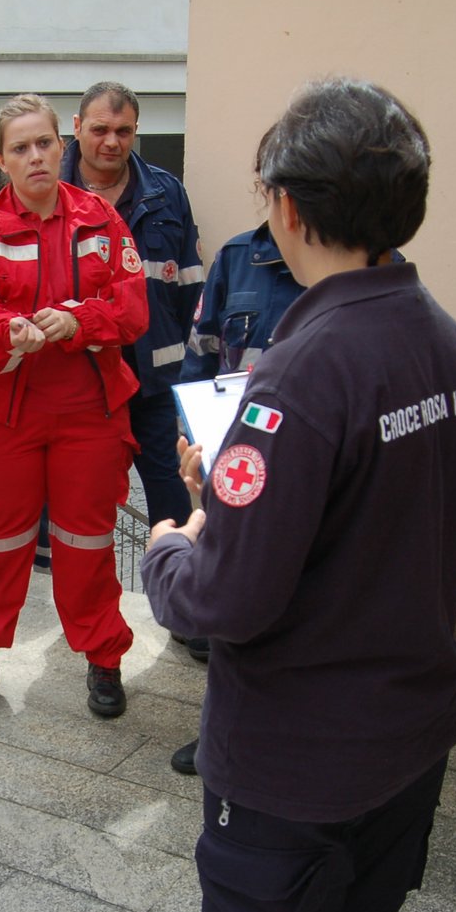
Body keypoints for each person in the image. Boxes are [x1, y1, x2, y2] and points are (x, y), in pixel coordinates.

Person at [141, 79, 456, 912]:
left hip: (296, 769)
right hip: (406, 741)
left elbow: (228, 599)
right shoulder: (453, 347)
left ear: (287, 205)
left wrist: (175, 544)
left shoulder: (297, 373)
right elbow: (388, 522)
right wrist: (244, 489)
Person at [0, 93, 149, 718]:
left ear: (65, 145)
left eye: (45, 143)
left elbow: (133, 309)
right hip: (3, 411)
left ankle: (104, 659)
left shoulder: (103, 221)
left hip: (89, 411)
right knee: (0, 543)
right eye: (21, 148)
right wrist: (11, 330)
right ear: (0, 159)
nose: (36, 157)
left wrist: (78, 319)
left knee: (88, 542)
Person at [166, 223, 306, 773]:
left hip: (304, 471)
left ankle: (288, 740)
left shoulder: (362, 258)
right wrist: (191, 435)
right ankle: (223, 735)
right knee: (233, 609)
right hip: (234, 466)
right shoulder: (239, 256)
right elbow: (202, 352)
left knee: (296, 610)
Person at [61, 81, 203, 562]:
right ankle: (69, 604)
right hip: (76, 383)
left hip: (152, 386)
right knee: (74, 503)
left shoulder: (167, 194)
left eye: (123, 131)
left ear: (136, 131)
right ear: (77, 128)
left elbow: (188, 291)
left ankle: (186, 609)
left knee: (172, 497)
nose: (111, 142)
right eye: (99, 129)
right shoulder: (46, 193)